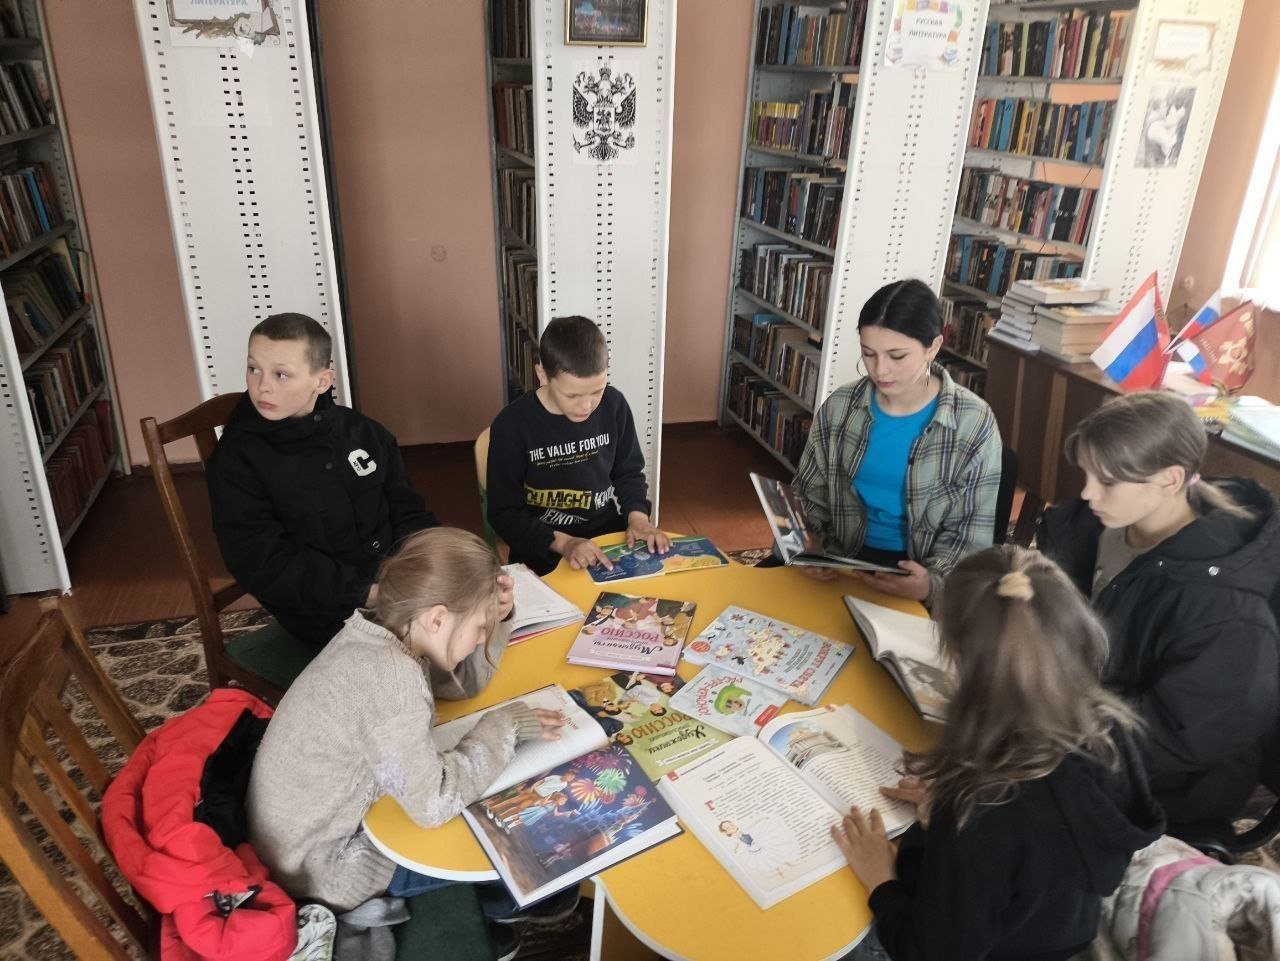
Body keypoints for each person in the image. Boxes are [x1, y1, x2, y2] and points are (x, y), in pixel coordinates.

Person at [246, 528, 571, 954]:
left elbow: (461, 684)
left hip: (300, 841)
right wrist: (506, 725)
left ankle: (504, 899)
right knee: (524, 824)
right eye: (479, 628)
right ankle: (499, 906)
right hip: (327, 869)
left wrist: (497, 617)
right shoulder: (392, 683)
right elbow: (433, 804)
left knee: (485, 786)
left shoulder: (381, 628)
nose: (480, 639)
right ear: (437, 619)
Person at [832, 546, 1164, 961]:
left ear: (956, 658)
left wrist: (881, 880)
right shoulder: (1111, 729)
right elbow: (1043, 835)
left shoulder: (978, 808)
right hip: (1059, 926)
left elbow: (929, 952)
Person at [1038, 390, 1280, 830]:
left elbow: (1174, 735)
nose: (1087, 493)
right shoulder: (1102, 524)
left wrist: (1055, 726)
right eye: (1086, 474)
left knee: (987, 807)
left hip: (1165, 779)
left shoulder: (1226, 607)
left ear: (1170, 480)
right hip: (1078, 713)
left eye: (1107, 481)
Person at [206, 313, 437, 652]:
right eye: (254, 368)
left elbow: (408, 512)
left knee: (480, 607)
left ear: (323, 381)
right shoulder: (236, 460)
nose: (262, 385)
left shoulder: (365, 433)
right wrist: (368, 594)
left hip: (392, 583)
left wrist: (437, 562)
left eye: (281, 374)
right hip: (320, 609)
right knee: (440, 645)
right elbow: (265, 562)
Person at [792, 279, 1002, 604]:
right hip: (840, 561)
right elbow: (808, 496)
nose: (880, 370)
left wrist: (930, 586)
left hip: (921, 572)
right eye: (868, 354)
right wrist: (807, 546)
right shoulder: (840, 407)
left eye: (897, 356)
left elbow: (969, 537)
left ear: (933, 347)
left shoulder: (973, 423)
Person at [486, 315, 669, 576]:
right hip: (542, 549)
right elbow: (504, 513)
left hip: (606, 539)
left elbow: (628, 473)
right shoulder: (512, 426)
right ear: (542, 374)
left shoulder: (614, 405)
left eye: (597, 391)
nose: (586, 406)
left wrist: (638, 519)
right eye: (572, 395)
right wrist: (565, 543)